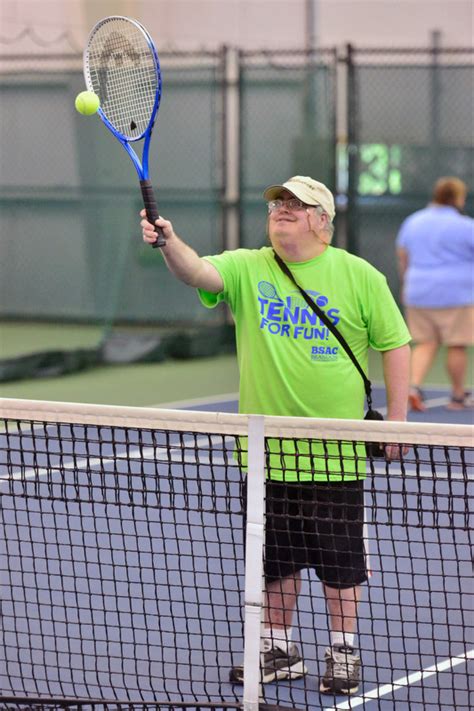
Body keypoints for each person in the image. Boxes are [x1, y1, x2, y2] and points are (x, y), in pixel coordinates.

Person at [141, 175, 411, 696]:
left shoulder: (360, 276)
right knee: (275, 560)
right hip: (266, 453)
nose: (282, 209)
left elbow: (395, 343)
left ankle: (343, 651)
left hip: (336, 454)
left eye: (297, 204)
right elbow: (197, 271)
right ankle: (278, 647)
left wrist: (397, 421)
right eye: (277, 203)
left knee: (340, 563)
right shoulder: (249, 266)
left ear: (321, 220)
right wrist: (169, 241)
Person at [396, 177, 474, 412]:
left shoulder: (413, 222)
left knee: (425, 342)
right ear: (458, 198)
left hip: (418, 291)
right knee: (457, 345)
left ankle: (413, 388)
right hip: (457, 294)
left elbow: (403, 256)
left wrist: (407, 283)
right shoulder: (466, 225)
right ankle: (457, 397)